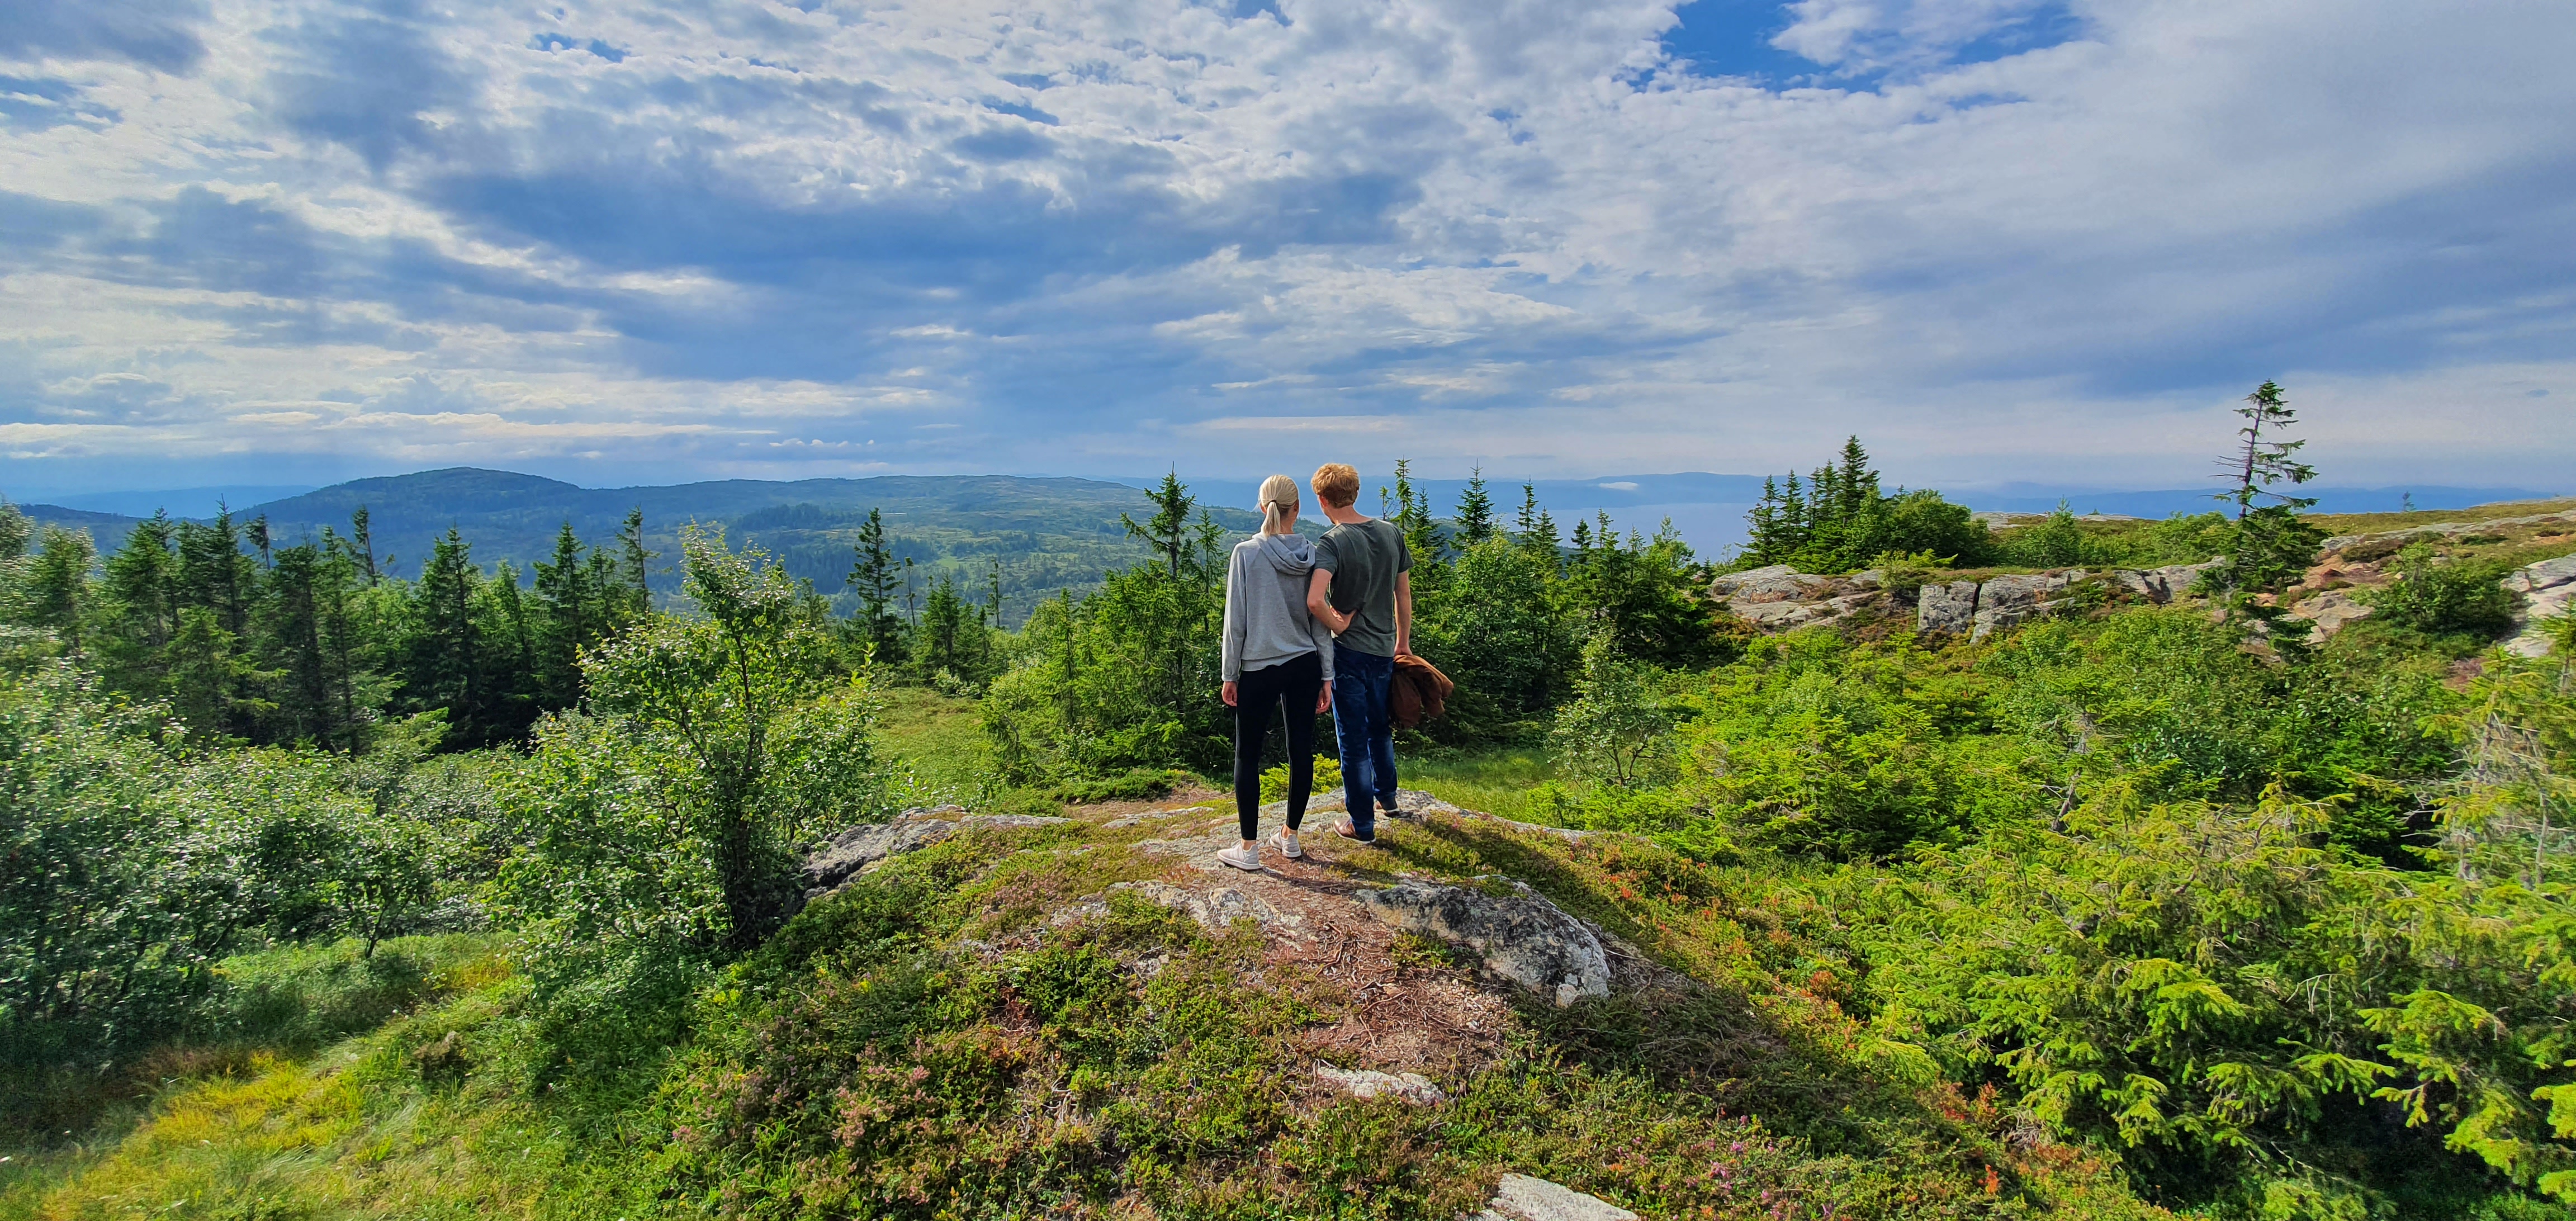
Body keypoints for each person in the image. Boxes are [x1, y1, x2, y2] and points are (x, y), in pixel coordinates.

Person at [1215, 475, 1336, 872]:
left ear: (1262, 506)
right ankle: (1291, 838)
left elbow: (1236, 621)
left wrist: (1229, 673)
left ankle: (1248, 848)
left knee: (1247, 754)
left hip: (1258, 667)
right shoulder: (1312, 554)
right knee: (1301, 750)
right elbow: (1320, 620)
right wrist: (1327, 675)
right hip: (1304, 664)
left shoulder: (1246, 554)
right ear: (1297, 509)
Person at [1305, 462, 1411, 844]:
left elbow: (1316, 599)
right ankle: (1389, 800)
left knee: (1353, 739)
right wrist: (1403, 642)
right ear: (1356, 492)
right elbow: (1403, 593)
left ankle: (1361, 826)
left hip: (1349, 653)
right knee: (1380, 729)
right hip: (1385, 648)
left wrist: (1338, 624)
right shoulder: (1390, 533)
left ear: (1322, 499)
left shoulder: (1332, 542)